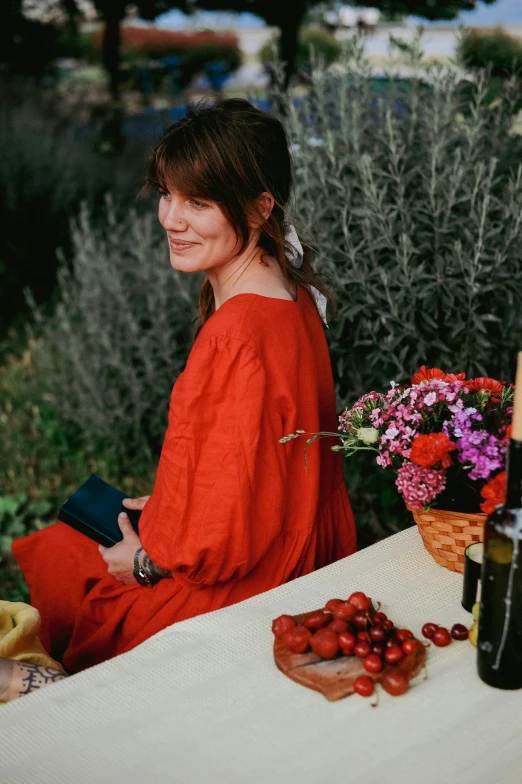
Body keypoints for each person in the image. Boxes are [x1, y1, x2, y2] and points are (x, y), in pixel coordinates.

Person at [12, 98, 357, 674]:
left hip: (248, 586)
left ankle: (47, 691)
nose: (172, 218)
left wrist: (143, 563)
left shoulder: (235, 338)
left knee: (63, 556)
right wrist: (174, 505)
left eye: (198, 202)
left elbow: (218, 541)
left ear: (259, 207)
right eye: (168, 194)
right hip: (298, 546)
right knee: (76, 536)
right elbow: (257, 465)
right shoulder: (294, 298)